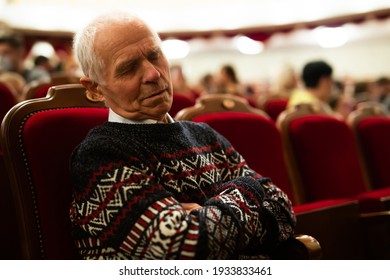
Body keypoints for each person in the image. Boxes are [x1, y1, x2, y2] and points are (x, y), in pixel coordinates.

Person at [69, 12, 295, 260]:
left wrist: (209, 212)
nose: (153, 74)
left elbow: (283, 210)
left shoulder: (204, 134)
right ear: (95, 90)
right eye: (129, 68)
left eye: (155, 55)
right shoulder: (100, 155)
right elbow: (183, 248)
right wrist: (249, 190)